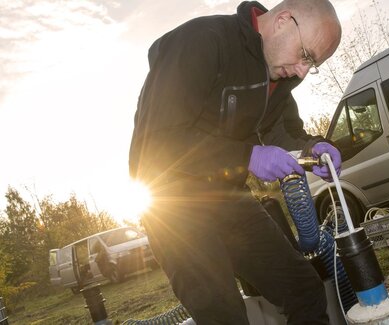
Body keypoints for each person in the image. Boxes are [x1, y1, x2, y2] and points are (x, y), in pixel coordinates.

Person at [129, 0, 342, 323]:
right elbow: (157, 142)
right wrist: (247, 157)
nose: (302, 71)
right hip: (172, 205)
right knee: (223, 312)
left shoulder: (280, 76)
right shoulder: (202, 41)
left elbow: (284, 132)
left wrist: (316, 148)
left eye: (312, 65)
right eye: (306, 56)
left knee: (303, 288)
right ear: (284, 20)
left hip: (227, 197)